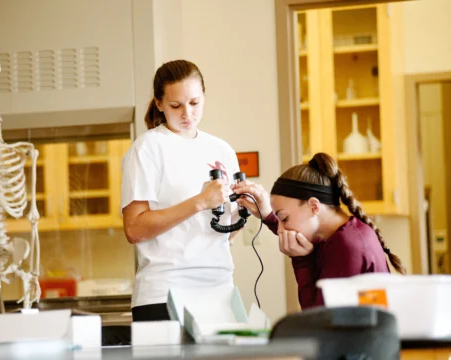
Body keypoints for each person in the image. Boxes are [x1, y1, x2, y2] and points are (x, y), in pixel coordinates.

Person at [121, 60, 241, 321]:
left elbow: (224, 234)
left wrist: (246, 211)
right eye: (176, 105)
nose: (187, 113)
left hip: (219, 291)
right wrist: (199, 201)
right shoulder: (147, 148)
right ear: (159, 104)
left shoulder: (222, 150)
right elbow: (134, 229)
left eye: (195, 103)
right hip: (164, 294)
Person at [231, 152, 406, 310]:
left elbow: (318, 318)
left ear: (314, 206)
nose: (282, 229)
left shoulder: (346, 246)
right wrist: (269, 216)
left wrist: (301, 260)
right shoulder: (337, 235)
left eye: (284, 218)